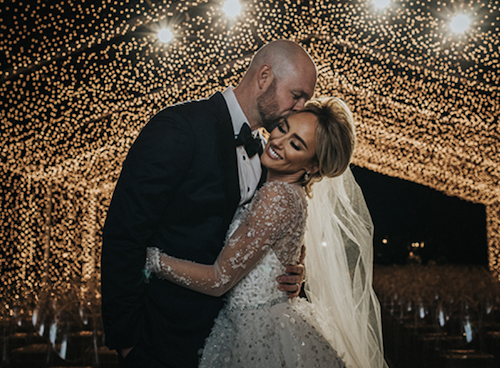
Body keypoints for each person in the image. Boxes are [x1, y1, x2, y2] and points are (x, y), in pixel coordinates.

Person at [101, 40, 318, 367]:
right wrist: (128, 344)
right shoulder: (179, 128)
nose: (300, 108)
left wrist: (286, 272)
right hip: (162, 339)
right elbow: (124, 235)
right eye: (297, 95)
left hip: (226, 343)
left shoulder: (268, 156)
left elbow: (255, 240)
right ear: (264, 77)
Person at [145, 97, 388, 368]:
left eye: (296, 144)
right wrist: (297, 271)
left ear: (313, 166)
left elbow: (219, 280)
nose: (278, 142)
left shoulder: (277, 196)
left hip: (256, 332)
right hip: (268, 321)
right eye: (282, 127)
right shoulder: (290, 193)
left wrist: (151, 260)